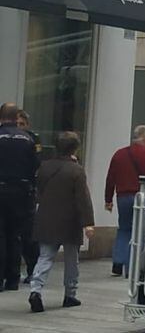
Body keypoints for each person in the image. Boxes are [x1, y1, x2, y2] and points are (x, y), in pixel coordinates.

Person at [27, 132, 94, 312]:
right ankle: (70, 294)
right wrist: (88, 222)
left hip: (47, 217)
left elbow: (39, 189)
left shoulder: (44, 167)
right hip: (70, 220)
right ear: (75, 148)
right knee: (72, 259)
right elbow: (83, 198)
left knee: (45, 257)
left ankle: (36, 289)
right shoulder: (76, 170)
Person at [105, 125, 145, 276]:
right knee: (140, 232)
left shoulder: (119, 154)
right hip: (141, 197)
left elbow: (110, 178)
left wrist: (108, 199)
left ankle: (118, 262)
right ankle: (134, 264)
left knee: (124, 229)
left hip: (122, 197)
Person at [0, 103, 40, 291]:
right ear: (16, 117)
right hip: (21, 192)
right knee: (15, 235)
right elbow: (35, 166)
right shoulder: (28, 139)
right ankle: (13, 278)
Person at [16, 110, 41, 285]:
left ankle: (33, 269)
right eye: (17, 124)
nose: (19, 128)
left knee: (28, 235)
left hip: (26, 192)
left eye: (22, 124)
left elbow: (37, 163)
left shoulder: (33, 139)